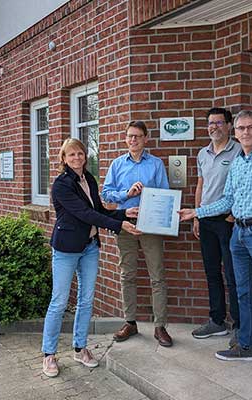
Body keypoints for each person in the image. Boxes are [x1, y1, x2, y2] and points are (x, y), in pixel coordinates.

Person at [179, 110, 252, 383]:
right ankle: (246, 346)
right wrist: (197, 212)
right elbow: (227, 201)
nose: (244, 132)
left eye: (250, 127)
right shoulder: (237, 163)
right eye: (241, 128)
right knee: (242, 293)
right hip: (238, 234)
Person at [42, 138, 141, 378]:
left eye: (80, 153)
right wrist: (121, 224)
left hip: (89, 247)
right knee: (59, 301)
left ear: (85, 156)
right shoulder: (61, 185)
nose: (76, 158)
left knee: (86, 301)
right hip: (66, 249)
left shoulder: (89, 179)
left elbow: (98, 210)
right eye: (71, 155)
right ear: (63, 159)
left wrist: (122, 212)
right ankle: (49, 354)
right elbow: (85, 214)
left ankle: (80, 348)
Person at [101, 121, 173, 347]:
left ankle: (160, 326)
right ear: (126, 138)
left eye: (138, 136)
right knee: (127, 274)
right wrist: (127, 194)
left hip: (150, 226)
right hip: (125, 225)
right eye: (130, 136)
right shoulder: (117, 164)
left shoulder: (156, 164)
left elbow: (165, 194)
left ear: (145, 139)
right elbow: (106, 194)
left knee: (157, 276)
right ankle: (130, 322)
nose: (133, 140)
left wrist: (150, 211)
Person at [191, 107, 251, 348]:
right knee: (212, 272)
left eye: (218, 122)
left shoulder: (239, 151)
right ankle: (217, 321)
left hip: (227, 220)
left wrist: (234, 214)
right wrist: (196, 216)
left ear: (228, 126)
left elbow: (244, 185)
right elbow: (200, 185)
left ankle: (238, 325)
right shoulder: (202, 154)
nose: (213, 127)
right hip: (206, 220)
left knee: (233, 275)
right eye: (210, 123)